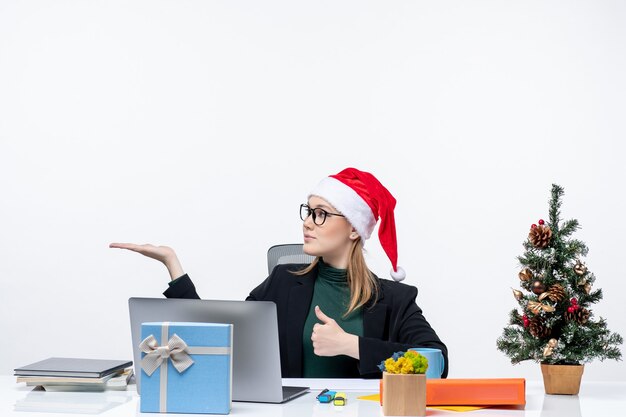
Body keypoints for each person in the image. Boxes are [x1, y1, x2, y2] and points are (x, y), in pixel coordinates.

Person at [111, 167, 448, 378]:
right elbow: (220, 340)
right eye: (308, 211)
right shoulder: (284, 282)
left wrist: (352, 345)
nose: (307, 222)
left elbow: (437, 363)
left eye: (321, 214)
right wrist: (174, 265)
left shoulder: (395, 298)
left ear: (354, 229)